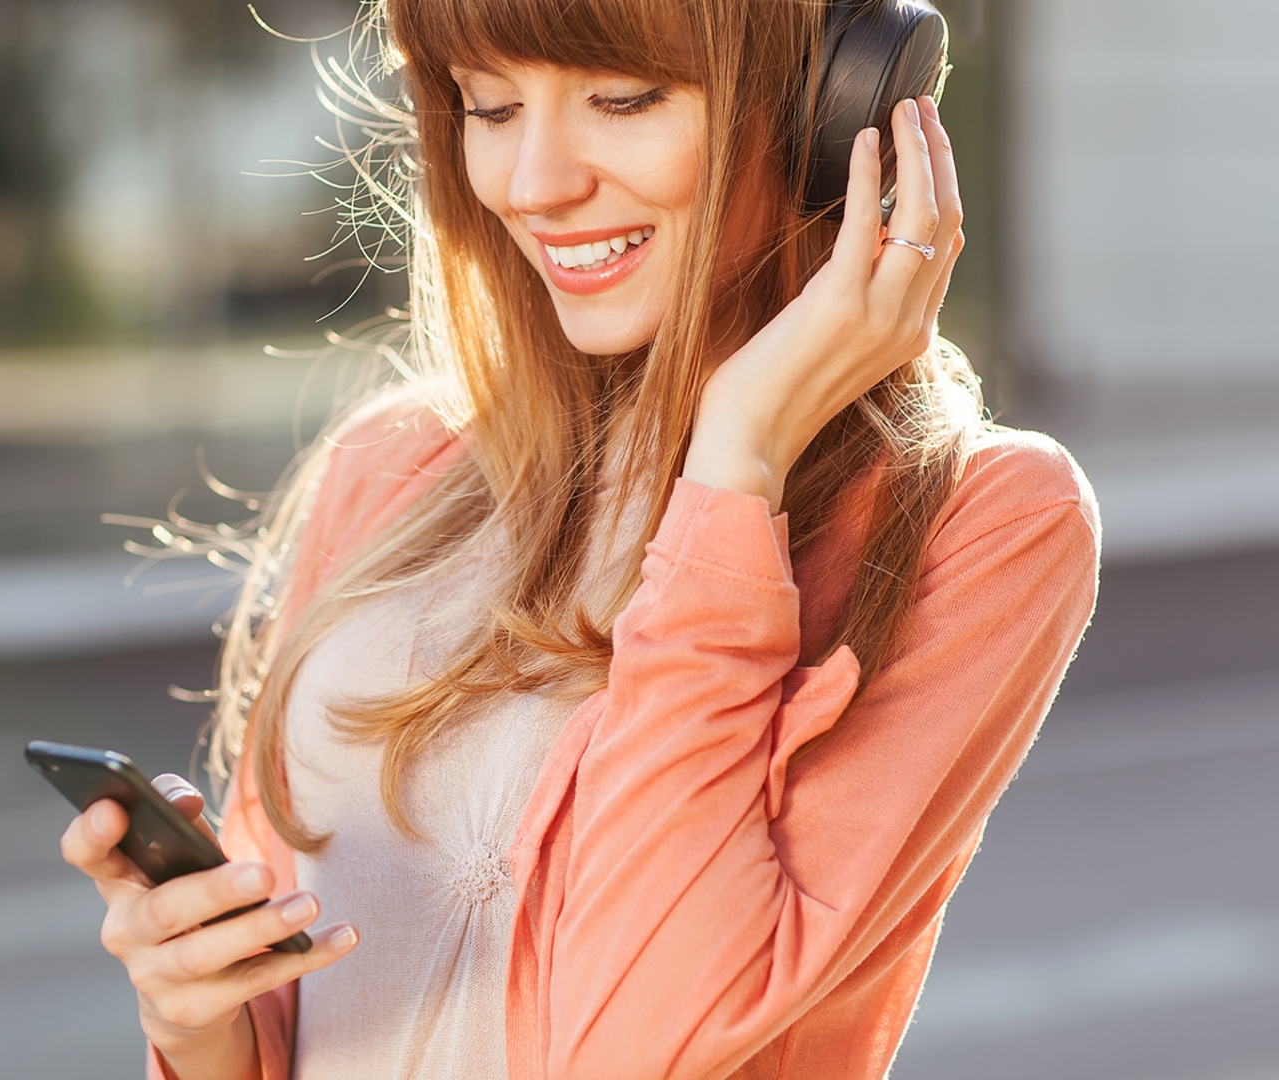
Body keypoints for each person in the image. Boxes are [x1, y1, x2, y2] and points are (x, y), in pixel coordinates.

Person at [60, 0, 1099, 1077]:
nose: (534, 182)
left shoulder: (980, 523)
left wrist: (734, 463)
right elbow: (313, 1016)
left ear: (838, 110)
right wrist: (202, 1021)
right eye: (491, 106)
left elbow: (648, 1035)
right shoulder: (394, 470)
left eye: (622, 99)